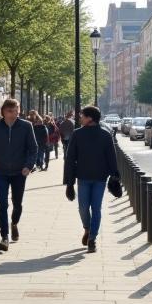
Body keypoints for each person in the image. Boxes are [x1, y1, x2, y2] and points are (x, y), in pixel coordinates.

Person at [0, 97, 37, 252]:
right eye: (10, 111)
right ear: (3, 112)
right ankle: (4, 237)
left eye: (16, 110)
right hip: (1, 172)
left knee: (17, 203)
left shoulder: (26, 126)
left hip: (20, 172)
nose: (14, 114)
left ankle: (14, 223)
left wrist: (28, 166)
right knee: (2, 204)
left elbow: (33, 149)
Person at [63, 105, 119, 253]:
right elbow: (70, 159)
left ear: (90, 118)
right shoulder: (77, 134)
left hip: (100, 178)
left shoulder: (105, 135)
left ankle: (92, 238)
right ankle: (87, 229)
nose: (80, 118)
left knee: (96, 208)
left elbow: (112, 157)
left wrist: (115, 176)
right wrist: (69, 182)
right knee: (82, 207)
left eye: (82, 116)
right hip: (83, 177)